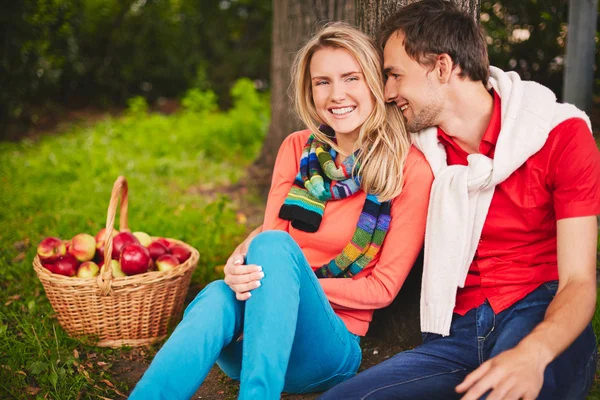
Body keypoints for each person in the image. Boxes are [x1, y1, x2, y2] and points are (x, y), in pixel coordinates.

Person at [130, 22, 433, 400]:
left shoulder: (408, 168)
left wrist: (282, 288)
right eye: (322, 82)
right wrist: (239, 267)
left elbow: (382, 288)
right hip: (254, 347)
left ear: (374, 81)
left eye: (351, 78)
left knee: (269, 253)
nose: (336, 94)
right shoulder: (296, 148)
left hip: (327, 350)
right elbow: (270, 242)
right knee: (216, 296)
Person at [317, 1, 600, 399]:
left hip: (538, 315)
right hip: (457, 330)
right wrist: (260, 243)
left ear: (443, 67)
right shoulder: (414, 151)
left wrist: (535, 352)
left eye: (395, 75)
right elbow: (328, 185)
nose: (387, 91)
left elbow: (579, 281)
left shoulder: (560, 136)